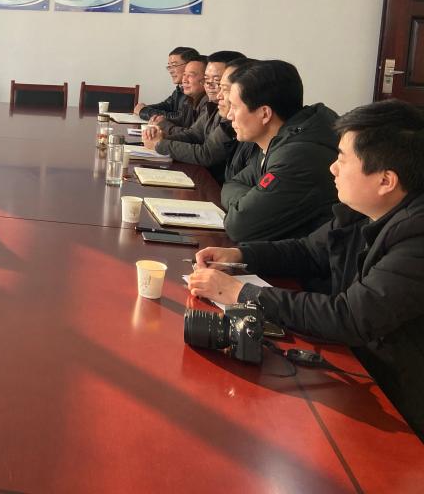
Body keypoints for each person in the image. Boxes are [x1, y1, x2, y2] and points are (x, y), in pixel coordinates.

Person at [188, 99, 424, 438]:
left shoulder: (416, 237)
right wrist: (239, 254)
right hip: (355, 373)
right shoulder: (364, 210)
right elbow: (308, 251)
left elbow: (350, 317)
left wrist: (242, 293)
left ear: (386, 180)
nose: (333, 169)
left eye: (343, 159)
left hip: (397, 409)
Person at [220, 60, 338, 243]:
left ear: (265, 114)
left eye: (235, 107)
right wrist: (248, 201)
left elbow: (239, 225)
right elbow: (232, 183)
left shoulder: (297, 156)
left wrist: (246, 203)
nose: (229, 116)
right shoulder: (276, 140)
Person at [142, 51, 244, 183]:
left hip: (213, 181)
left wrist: (160, 144)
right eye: (207, 79)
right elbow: (194, 134)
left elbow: (207, 154)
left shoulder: (231, 115)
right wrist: (161, 138)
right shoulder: (212, 104)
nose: (209, 85)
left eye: (217, 81)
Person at [135, 46, 200, 129]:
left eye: (174, 65)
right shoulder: (180, 88)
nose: (171, 71)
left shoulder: (194, 91)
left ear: (190, 65)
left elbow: (179, 118)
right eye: (169, 67)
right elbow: (167, 105)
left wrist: (143, 111)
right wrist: (144, 108)